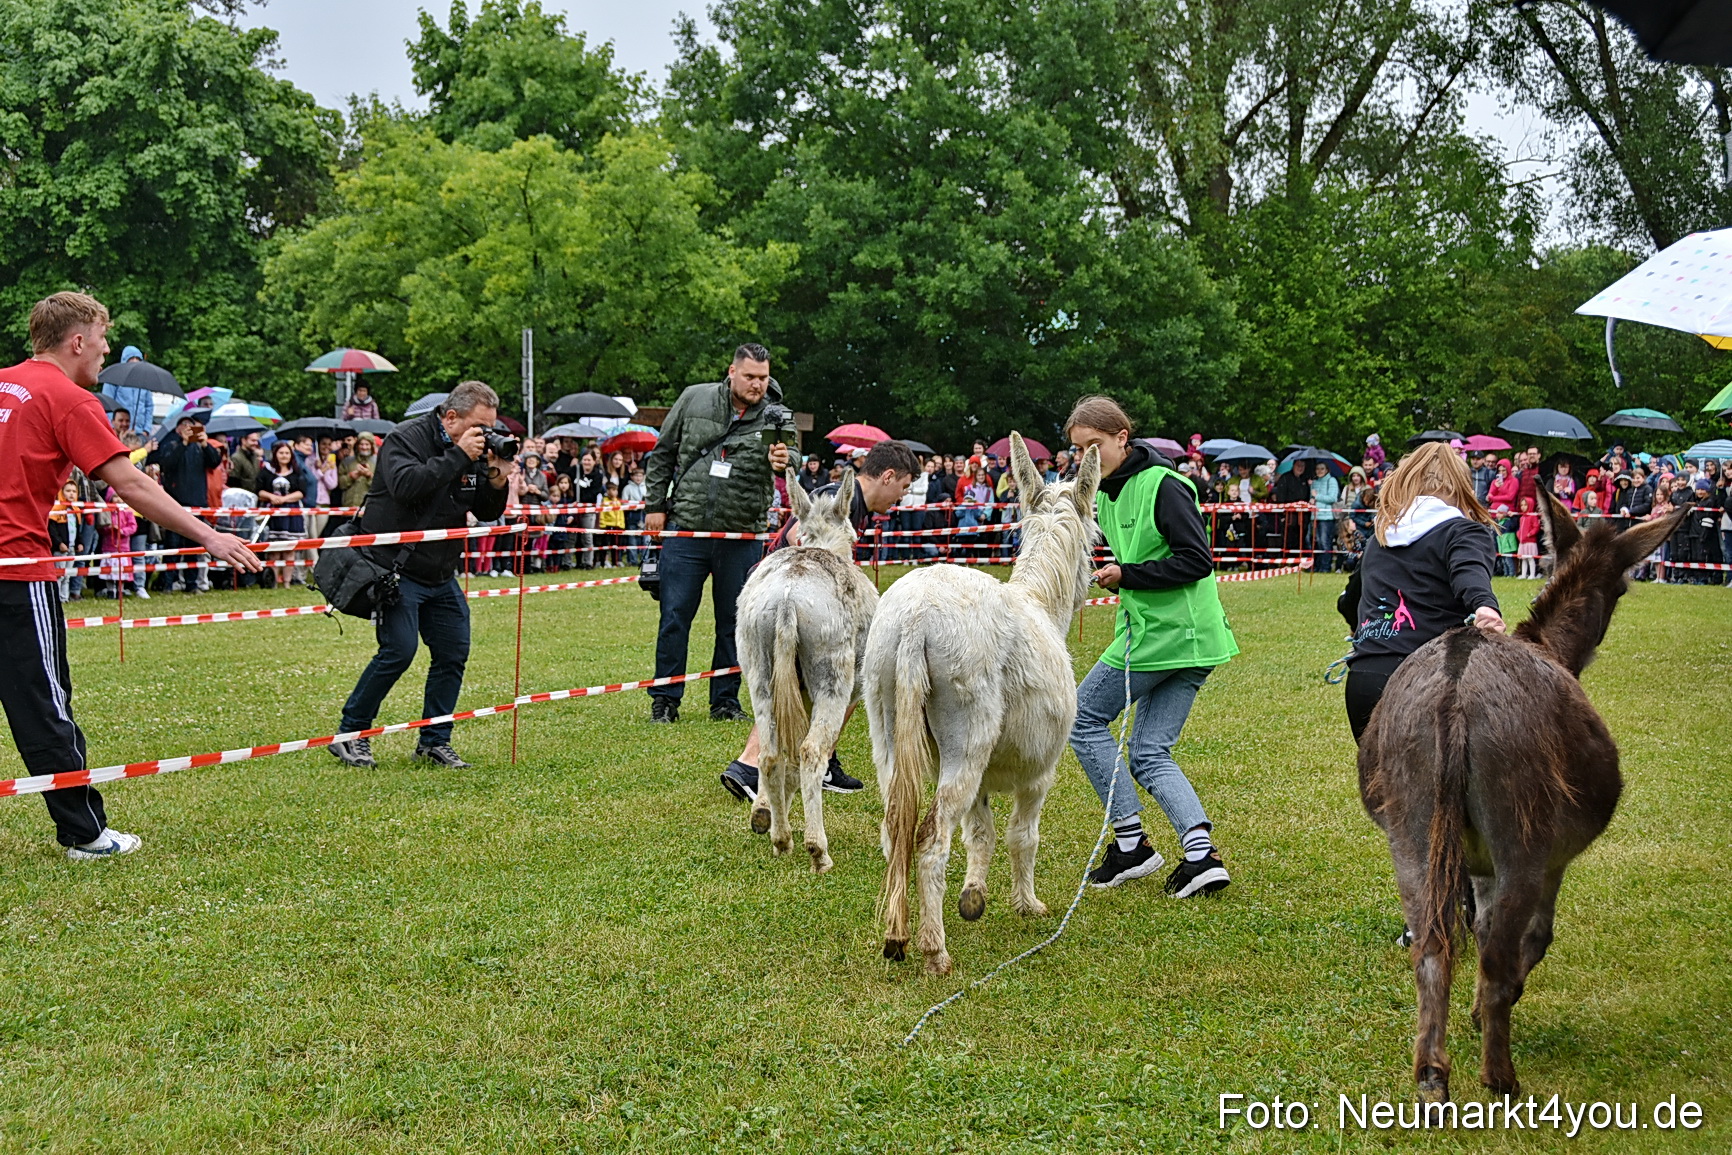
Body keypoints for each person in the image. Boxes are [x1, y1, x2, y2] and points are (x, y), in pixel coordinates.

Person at [0, 291, 261, 859]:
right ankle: (86, 835)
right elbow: (134, 485)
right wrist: (210, 536)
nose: (106, 350)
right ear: (75, 341)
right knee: (45, 706)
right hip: (16, 572)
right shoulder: (68, 399)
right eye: (101, 338)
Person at [1063, 396, 1238, 897]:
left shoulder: (1164, 485)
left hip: (1168, 636)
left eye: (1093, 447)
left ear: (1122, 438)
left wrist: (1128, 575)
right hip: (1180, 637)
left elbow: (1196, 560)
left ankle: (1130, 842)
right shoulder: (1107, 492)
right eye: (1077, 452)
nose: (1085, 462)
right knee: (1147, 751)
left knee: (1081, 717)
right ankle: (1201, 857)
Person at [1334, 441, 1504, 943]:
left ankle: (1432, 915)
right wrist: (1484, 608)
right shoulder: (1462, 530)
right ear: (1458, 486)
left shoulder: (1381, 540)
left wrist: (1369, 630)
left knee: (1409, 806)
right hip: (1428, 682)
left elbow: (1350, 600)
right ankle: (1447, 912)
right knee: (1454, 802)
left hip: (1366, 681)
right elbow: (1471, 576)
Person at [718, 439, 919, 801]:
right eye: (903, 487)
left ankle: (824, 760)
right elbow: (800, 535)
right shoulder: (837, 496)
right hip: (788, 598)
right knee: (804, 680)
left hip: (789, 595)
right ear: (888, 476)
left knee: (835, 680)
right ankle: (749, 767)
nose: (902, 497)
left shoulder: (855, 504)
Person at [330, 380, 513, 770]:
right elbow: (406, 486)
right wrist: (459, 456)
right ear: (451, 417)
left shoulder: (474, 450)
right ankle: (351, 734)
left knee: (452, 653)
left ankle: (434, 741)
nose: (484, 435)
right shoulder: (405, 438)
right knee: (398, 650)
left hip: (441, 572)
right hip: (396, 568)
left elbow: (484, 510)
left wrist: (497, 478)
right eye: (478, 426)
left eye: (489, 427)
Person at [642, 343, 797, 724]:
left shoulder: (775, 415)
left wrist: (783, 461)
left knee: (734, 621)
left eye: (763, 377)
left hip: (741, 534)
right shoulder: (694, 399)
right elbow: (663, 452)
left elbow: (789, 458)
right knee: (675, 616)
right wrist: (655, 507)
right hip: (686, 530)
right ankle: (665, 699)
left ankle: (725, 701)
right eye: (750, 377)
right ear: (731, 371)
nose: (757, 385)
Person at [148, 413, 221, 592]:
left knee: (194, 546)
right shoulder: (172, 446)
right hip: (176, 503)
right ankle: (167, 583)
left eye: (192, 426)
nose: (188, 429)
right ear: (178, 430)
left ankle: (191, 584)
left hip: (198, 503)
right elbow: (168, 464)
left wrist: (205, 443)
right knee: (173, 546)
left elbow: (215, 462)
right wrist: (185, 443)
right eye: (185, 426)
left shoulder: (201, 448)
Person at [1308, 460, 1341, 573]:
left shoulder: (1332, 481)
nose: (1320, 471)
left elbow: (1332, 498)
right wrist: (1311, 499)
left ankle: (1325, 567)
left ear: (1327, 470)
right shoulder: (1314, 482)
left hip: (1327, 517)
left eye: (1322, 469)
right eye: (1318, 469)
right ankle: (1317, 566)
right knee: (1316, 542)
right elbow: (1312, 497)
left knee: (1325, 542)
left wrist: (1317, 496)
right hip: (1315, 516)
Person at [337, 432, 378, 508]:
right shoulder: (347, 462)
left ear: (371, 446)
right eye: (361, 444)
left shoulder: (377, 462)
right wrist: (351, 476)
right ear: (357, 445)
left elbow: (380, 486)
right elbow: (340, 484)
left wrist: (369, 475)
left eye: (367, 444)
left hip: (369, 507)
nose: (364, 447)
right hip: (349, 506)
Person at [1516, 497, 1541, 579]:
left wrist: (1530, 534)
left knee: (1530, 559)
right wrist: (1519, 534)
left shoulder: (1533, 516)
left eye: (1525, 505)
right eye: (1522, 505)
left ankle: (1532, 574)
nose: (1523, 507)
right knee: (1523, 559)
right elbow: (1520, 528)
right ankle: (1524, 574)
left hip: (1530, 542)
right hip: (1522, 542)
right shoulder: (1522, 518)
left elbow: (1536, 527)